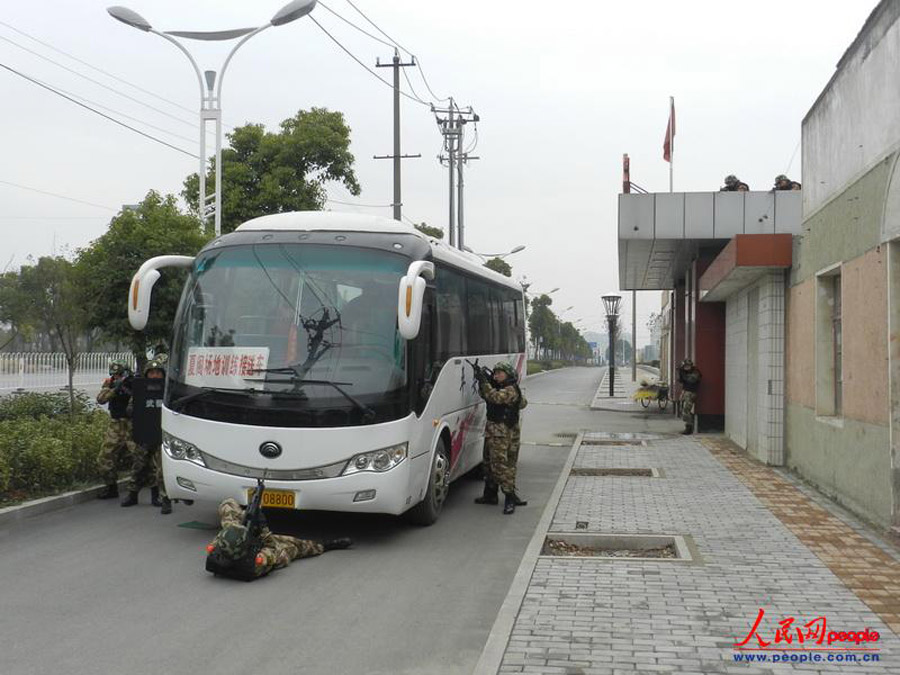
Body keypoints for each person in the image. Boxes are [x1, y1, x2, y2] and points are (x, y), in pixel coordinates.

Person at [206, 498, 352, 580]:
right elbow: (271, 547)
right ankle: (324, 547)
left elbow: (225, 532)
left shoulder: (221, 545)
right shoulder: (258, 562)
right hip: (269, 553)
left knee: (227, 505)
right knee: (293, 546)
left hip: (239, 545)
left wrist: (246, 517)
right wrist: (263, 528)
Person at [473, 362, 529, 514]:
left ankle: (510, 498)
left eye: (500, 373)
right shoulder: (503, 387)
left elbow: (494, 397)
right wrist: (485, 382)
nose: (496, 376)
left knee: (500, 465)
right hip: (494, 432)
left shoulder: (510, 389)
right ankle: (490, 494)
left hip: (502, 433)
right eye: (495, 373)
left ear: (508, 375)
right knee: (488, 463)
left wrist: (485, 382)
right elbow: (486, 394)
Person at [121, 358, 165, 510]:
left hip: (162, 435)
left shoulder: (167, 390)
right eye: (151, 373)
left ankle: (160, 497)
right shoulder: (140, 391)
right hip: (144, 433)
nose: (154, 376)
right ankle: (132, 495)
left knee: (160, 468)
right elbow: (129, 410)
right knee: (139, 465)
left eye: (158, 373)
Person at [96, 360, 137, 499]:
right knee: (105, 456)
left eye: (119, 374)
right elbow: (101, 399)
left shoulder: (133, 382)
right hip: (116, 424)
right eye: (114, 375)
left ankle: (147, 489)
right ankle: (111, 488)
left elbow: (137, 402)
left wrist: (126, 389)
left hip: (131, 424)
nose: (117, 377)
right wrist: (115, 389)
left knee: (141, 457)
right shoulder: (111, 382)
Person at [677, 358, 702, 435]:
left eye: (688, 366)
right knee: (684, 410)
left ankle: (689, 428)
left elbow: (691, 380)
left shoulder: (695, 372)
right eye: (685, 366)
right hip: (686, 392)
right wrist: (682, 393)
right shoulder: (685, 372)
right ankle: (688, 426)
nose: (686, 367)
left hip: (691, 393)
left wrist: (683, 375)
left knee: (686, 410)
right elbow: (684, 383)